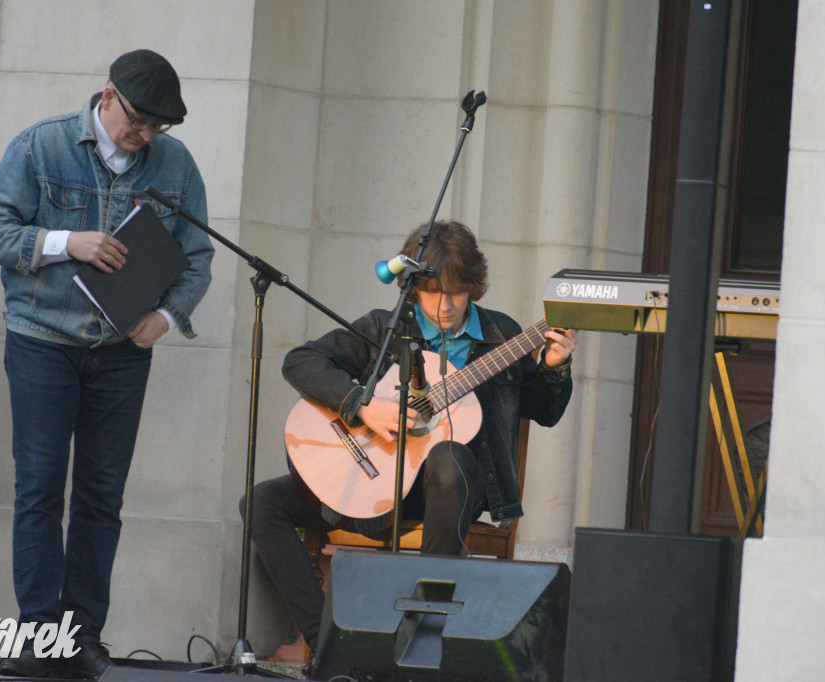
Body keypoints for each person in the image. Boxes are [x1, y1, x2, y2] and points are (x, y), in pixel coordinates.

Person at [0, 49, 214, 679]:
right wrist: (64, 242)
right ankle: (38, 639)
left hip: (120, 352)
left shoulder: (175, 166)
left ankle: (82, 640)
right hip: (41, 340)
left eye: (158, 127)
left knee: (103, 497)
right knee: (39, 490)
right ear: (107, 96)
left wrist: (163, 319)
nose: (145, 136)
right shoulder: (41, 147)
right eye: (138, 121)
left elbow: (197, 257)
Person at [244, 220, 577, 666]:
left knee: (448, 457)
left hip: (449, 490)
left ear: (473, 288)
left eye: (457, 292)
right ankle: (329, 643)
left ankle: (420, 645)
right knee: (262, 502)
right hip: (374, 478)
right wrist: (362, 406)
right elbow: (301, 362)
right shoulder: (385, 329)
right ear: (413, 288)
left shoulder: (502, 335)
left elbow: (546, 411)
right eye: (433, 292)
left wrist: (554, 365)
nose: (446, 305)